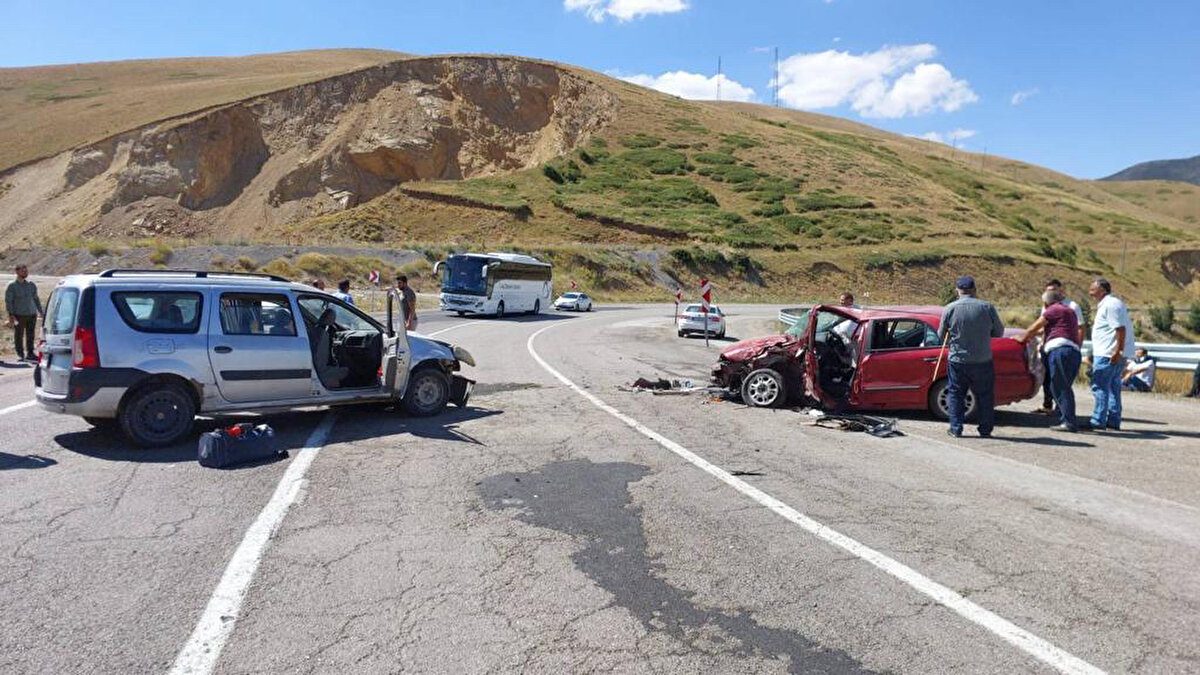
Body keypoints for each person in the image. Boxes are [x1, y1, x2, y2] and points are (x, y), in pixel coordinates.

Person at [938, 276, 1005, 438]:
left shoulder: (950, 308)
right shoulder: (987, 307)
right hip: (982, 359)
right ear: (974, 290)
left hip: (958, 359)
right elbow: (999, 332)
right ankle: (985, 429)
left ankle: (956, 428)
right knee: (985, 395)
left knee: (956, 393)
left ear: (957, 291)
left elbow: (941, 336)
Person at [1017, 289, 1081, 432]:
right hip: (1073, 351)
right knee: (1062, 386)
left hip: (1059, 350)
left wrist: (1022, 338)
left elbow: (1035, 327)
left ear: (1046, 302)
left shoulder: (1052, 310)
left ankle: (1069, 422)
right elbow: (1050, 329)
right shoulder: (1068, 311)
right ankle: (1065, 416)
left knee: (1059, 386)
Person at [1031, 280, 1086, 414]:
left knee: (1061, 379)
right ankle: (1047, 405)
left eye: (1054, 289)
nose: (1051, 292)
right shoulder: (1047, 305)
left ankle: (1061, 408)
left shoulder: (1072, 306)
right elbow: (1045, 327)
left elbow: (1080, 327)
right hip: (1048, 346)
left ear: (1061, 290)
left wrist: (1078, 345)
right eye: (1048, 290)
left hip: (1063, 346)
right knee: (1047, 377)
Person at [1087, 278, 1134, 430]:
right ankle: (1113, 420)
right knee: (1113, 387)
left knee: (1100, 386)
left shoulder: (1110, 305)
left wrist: (1117, 351)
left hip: (1108, 353)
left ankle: (1098, 420)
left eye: (1093, 289)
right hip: (1111, 353)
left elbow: (1120, 329)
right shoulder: (1112, 304)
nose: (1090, 292)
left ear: (1103, 290)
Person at [5, 264, 43, 362]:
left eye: (26, 271)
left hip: (31, 314)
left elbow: (36, 299)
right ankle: (20, 354)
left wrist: (41, 312)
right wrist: (11, 315)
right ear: (17, 272)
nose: (25, 273)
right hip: (19, 315)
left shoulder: (31, 285)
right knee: (19, 335)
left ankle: (30, 353)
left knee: (31, 335)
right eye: (23, 271)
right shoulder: (12, 286)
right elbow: (9, 301)